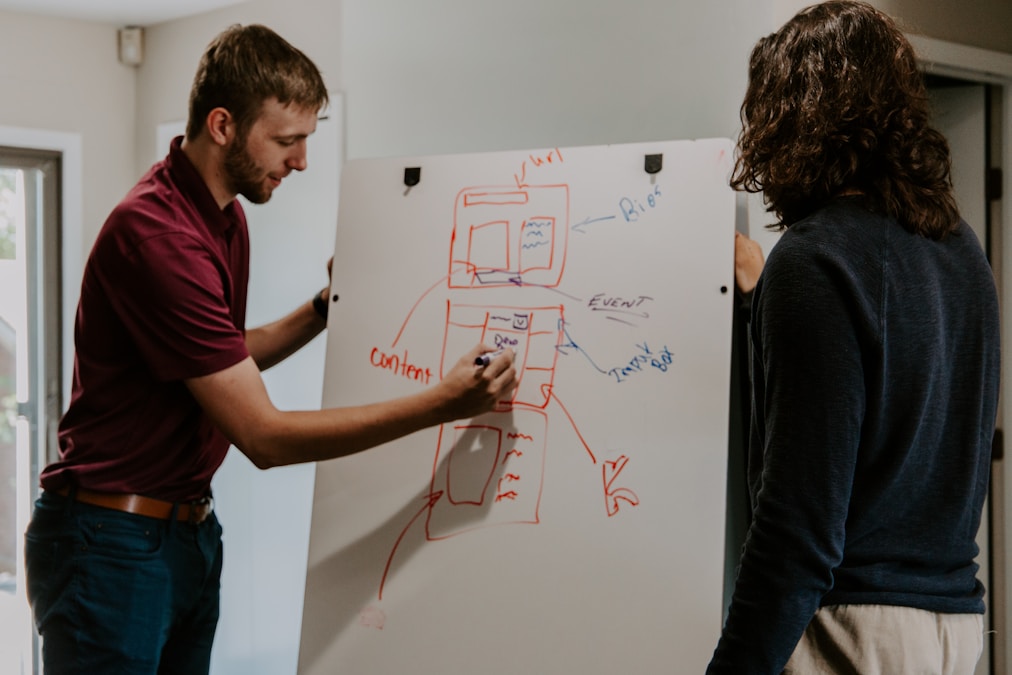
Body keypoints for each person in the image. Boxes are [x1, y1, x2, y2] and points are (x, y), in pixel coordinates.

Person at [24, 24, 517, 675]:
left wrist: (323, 307)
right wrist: (443, 403)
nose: (303, 160)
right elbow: (264, 436)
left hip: (186, 533)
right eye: (288, 140)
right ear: (223, 125)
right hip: (111, 542)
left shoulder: (222, 216)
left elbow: (225, 354)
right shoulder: (157, 235)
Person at [708, 2, 999, 674]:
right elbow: (898, 405)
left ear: (791, 119)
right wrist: (763, 299)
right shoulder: (961, 251)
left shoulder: (815, 261)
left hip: (856, 632)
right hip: (955, 627)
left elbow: (797, 530)